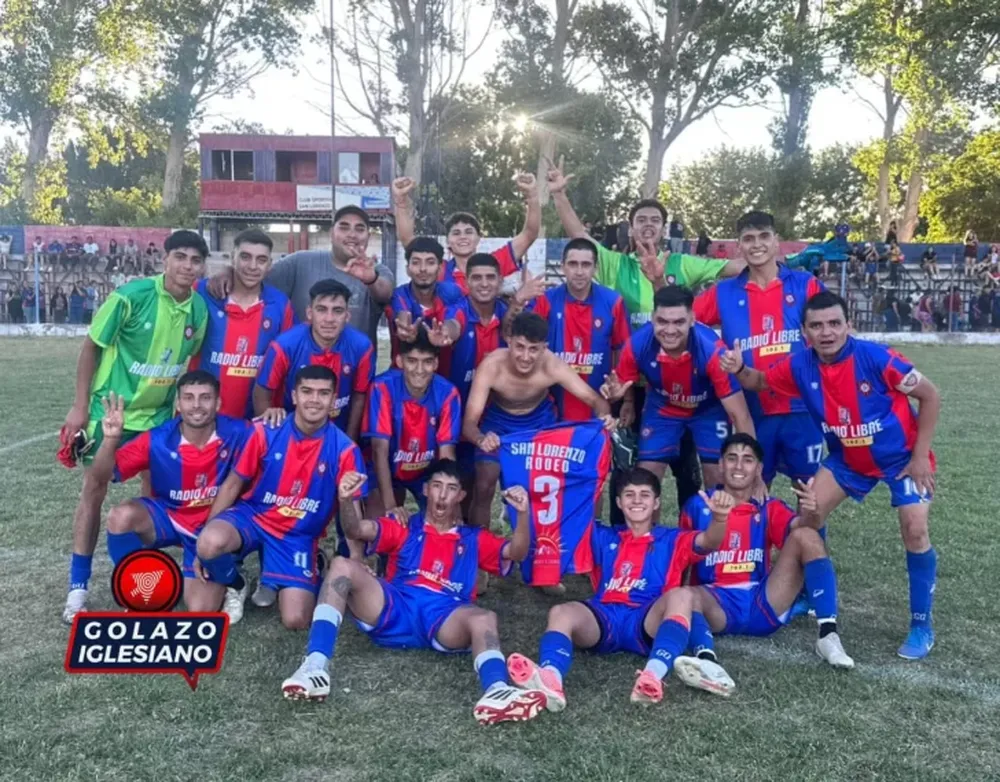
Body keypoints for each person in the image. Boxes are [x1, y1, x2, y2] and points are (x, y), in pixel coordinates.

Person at [719, 290, 941, 659]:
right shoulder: (799, 365)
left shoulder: (877, 358)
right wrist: (738, 368)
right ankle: (807, 592)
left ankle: (922, 625)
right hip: (848, 459)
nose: (827, 332)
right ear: (804, 332)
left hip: (900, 458)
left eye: (835, 323)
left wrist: (920, 457)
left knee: (915, 529)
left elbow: (930, 395)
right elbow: (760, 382)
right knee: (808, 515)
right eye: (817, 326)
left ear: (848, 325)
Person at [280, 462, 549, 724]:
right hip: (395, 606)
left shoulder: (473, 538)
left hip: (446, 615)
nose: (443, 495)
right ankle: (315, 666)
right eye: (437, 486)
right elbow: (355, 530)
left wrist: (523, 515)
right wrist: (347, 500)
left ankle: (496, 689)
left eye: (452, 488)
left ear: (461, 496)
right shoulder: (405, 525)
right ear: (425, 490)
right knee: (341, 566)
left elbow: (517, 552)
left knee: (485, 618)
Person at [547, 157, 737, 515]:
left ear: (664, 228)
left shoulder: (683, 264)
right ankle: (624, 534)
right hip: (628, 377)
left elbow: (733, 268)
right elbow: (580, 239)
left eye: (655, 220)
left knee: (685, 466)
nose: (648, 226)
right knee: (628, 461)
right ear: (631, 228)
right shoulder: (616, 264)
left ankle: (692, 532)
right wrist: (559, 195)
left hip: (681, 378)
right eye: (641, 221)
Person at [58, 230, 209, 622]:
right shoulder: (131, 295)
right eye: (180, 257)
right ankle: (78, 587)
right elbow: (91, 345)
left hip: (158, 419)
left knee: (152, 498)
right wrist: (79, 408)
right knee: (94, 489)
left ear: (201, 267)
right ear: (165, 259)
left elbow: (188, 364)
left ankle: (147, 580)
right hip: (111, 413)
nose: (186, 266)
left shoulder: (199, 311)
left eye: (195, 260)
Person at [505, 466, 730, 710]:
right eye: (629, 494)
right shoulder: (603, 536)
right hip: (605, 618)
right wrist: (525, 509)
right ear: (619, 503)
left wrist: (719, 518)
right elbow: (560, 520)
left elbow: (710, 541)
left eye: (644, 494)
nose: (636, 500)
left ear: (656, 503)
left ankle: (652, 675)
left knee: (683, 595)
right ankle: (550, 678)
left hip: (647, 619)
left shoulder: (673, 539)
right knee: (560, 612)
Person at [669, 434, 853, 697]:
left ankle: (828, 634)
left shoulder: (769, 507)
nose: (739, 466)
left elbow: (800, 529)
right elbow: (682, 558)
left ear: (758, 469)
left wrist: (812, 513)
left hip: (763, 602)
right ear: (720, 465)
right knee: (684, 596)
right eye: (732, 459)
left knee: (808, 537)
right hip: (716, 605)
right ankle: (707, 662)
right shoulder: (698, 505)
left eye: (748, 460)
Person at [195, 365, 366, 627]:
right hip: (253, 518)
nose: (314, 400)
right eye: (307, 392)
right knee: (209, 543)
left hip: (297, 535)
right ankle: (237, 584)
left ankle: (310, 563)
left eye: (323, 394)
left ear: (333, 399)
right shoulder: (265, 431)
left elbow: (353, 514)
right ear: (294, 396)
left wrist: (356, 562)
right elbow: (232, 484)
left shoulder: (345, 450)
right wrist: (201, 548)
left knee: (296, 619)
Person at [86, 372, 252, 617]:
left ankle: (235, 577)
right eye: (188, 398)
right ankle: (143, 581)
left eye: (205, 398)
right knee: (120, 516)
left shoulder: (241, 432)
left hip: (213, 526)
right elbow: (102, 475)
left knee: (200, 609)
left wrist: (274, 414)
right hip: (170, 517)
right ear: (178, 404)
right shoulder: (158, 439)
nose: (196, 405)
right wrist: (110, 439)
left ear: (217, 403)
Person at [693, 211, 825, 488]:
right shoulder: (723, 292)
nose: (757, 244)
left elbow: (836, 332)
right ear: (738, 247)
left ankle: (807, 534)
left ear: (777, 242)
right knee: (749, 492)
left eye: (764, 236)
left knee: (810, 496)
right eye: (748, 239)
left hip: (801, 408)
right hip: (751, 411)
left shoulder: (806, 285)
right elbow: (683, 322)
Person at [462, 311, 615, 529]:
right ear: (509, 341)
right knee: (484, 483)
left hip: (539, 424)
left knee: (542, 487)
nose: (525, 356)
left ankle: (540, 541)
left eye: (533, 349)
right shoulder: (492, 365)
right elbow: (469, 423)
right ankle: (479, 547)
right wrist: (481, 439)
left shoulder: (552, 365)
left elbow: (595, 400)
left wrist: (605, 417)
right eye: (520, 347)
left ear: (543, 348)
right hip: (498, 423)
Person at [601, 285, 755, 490]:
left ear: (692, 319)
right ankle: (645, 523)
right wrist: (617, 397)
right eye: (662, 321)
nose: (670, 331)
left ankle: (713, 521)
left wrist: (756, 470)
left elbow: (740, 416)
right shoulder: (637, 345)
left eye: (679, 322)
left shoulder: (713, 352)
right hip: (663, 407)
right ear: (652, 318)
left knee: (718, 476)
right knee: (645, 479)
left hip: (708, 410)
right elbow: (620, 384)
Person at [208, 206, 394, 342]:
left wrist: (371, 279)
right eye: (344, 227)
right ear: (331, 233)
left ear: (368, 236)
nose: (352, 234)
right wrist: (230, 271)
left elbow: (385, 293)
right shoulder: (299, 262)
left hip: (353, 376)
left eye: (360, 229)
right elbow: (257, 274)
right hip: (302, 376)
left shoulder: (377, 271)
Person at [507, 237, 630, 421]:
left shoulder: (613, 302)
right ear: (563, 266)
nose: (579, 271)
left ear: (595, 268)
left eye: (586, 264)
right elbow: (512, 337)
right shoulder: (545, 300)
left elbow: (622, 351)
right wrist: (517, 301)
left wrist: (628, 400)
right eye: (573, 264)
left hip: (598, 405)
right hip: (551, 407)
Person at [191, 228, 296, 419]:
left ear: (270, 265)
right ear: (233, 258)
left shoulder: (281, 306)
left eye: (261, 260)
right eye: (245, 257)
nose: (253, 266)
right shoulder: (202, 292)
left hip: (253, 424)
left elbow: (284, 366)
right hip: (202, 422)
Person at [255, 279, 374, 442]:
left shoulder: (362, 347)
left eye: (337, 311)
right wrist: (274, 439)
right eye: (322, 310)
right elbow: (262, 392)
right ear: (310, 313)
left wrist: (349, 441)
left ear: (347, 316)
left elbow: (360, 396)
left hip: (337, 435)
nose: (329, 318)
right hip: (291, 434)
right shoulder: (284, 345)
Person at [362, 330, 462, 518]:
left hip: (426, 471)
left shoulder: (448, 393)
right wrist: (391, 507)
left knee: (448, 522)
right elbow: (379, 450)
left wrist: (447, 503)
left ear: (436, 364)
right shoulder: (382, 388)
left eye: (427, 361)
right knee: (379, 526)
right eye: (412, 360)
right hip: (387, 468)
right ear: (400, 362)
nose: (419, 369)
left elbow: (447, 455)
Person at [392, 174, 541, 293]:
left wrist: (532, 196)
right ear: (448, 240)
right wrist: (401, 201)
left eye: (469, 232)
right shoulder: (439, 269)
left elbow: (529, 234)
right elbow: (407, 240)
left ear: (478, 238)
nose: (462, 236)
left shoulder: (494, 263)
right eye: (456, 233)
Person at [385, 236, 464, 360]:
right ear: (408, 269)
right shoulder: (400, 294)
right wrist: (406, 329)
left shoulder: (452, 291)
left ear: (439, 269)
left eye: (430, 262)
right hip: (405, 372)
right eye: (416, 262)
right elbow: (403, 315)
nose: (423, 269)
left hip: (446, 372)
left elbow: (456, 321)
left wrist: (447, 332)